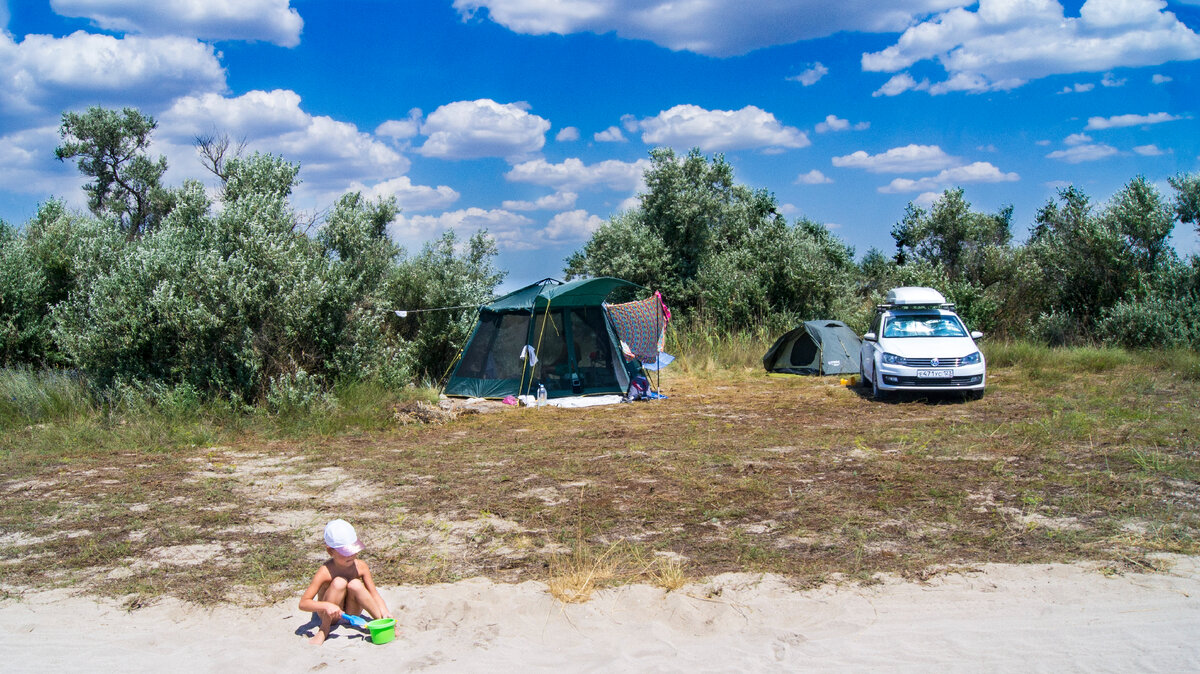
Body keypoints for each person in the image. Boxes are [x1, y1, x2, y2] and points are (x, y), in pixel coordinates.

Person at [299, 519, 392, 645]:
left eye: (353, 550)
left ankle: (380, 622)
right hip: (330, 616)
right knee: (339, 583)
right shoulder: (325, 571)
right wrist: (326, 606)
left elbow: (374, 594)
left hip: (351, 613)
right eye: (345, 552)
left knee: (355, 584)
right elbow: (303, 603)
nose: (350, 556)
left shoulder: (361, 566)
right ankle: (324, 630)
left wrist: (384, 611)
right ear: (330, 551)